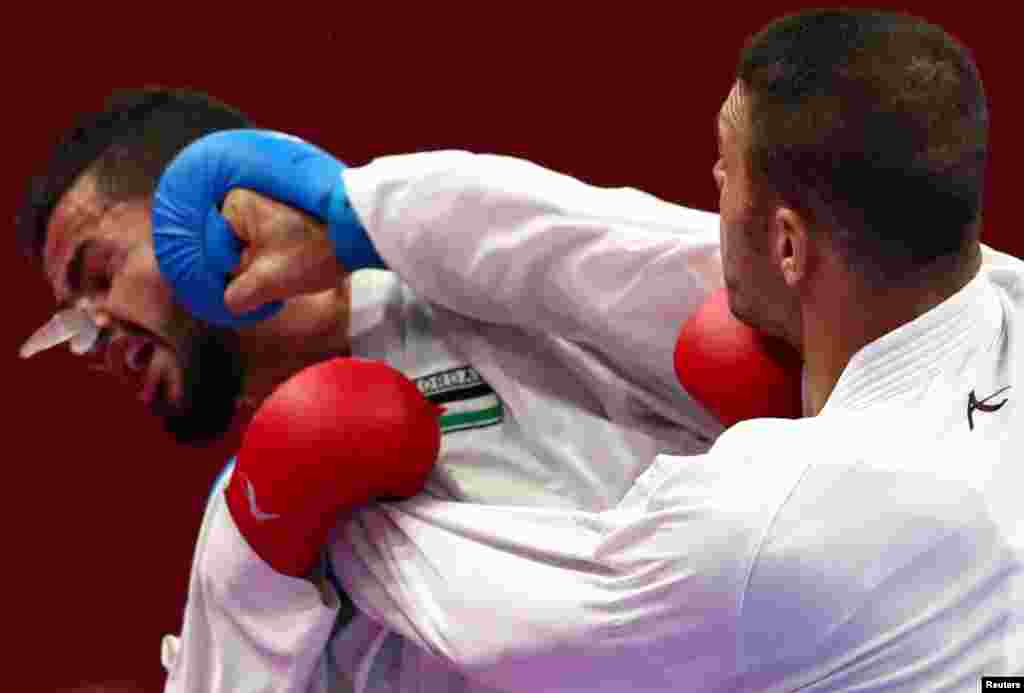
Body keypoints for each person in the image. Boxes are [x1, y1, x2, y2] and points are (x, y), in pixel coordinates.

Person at [138, 7, 1023, 691]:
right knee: (725, 343)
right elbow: (616, 245)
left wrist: (267, 518)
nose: (709, 188)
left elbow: (496, 612)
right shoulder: (998, 296)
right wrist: (356, 211)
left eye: (725, 165)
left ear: (789, 244)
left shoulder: (770, 519)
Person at [19, 90, 737, 690]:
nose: (91, 338)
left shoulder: (474, 276)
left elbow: (727, 281)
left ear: (206, 206)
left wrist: (359, 215)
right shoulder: (254, 541)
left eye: (99, 274)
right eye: (73, 317)